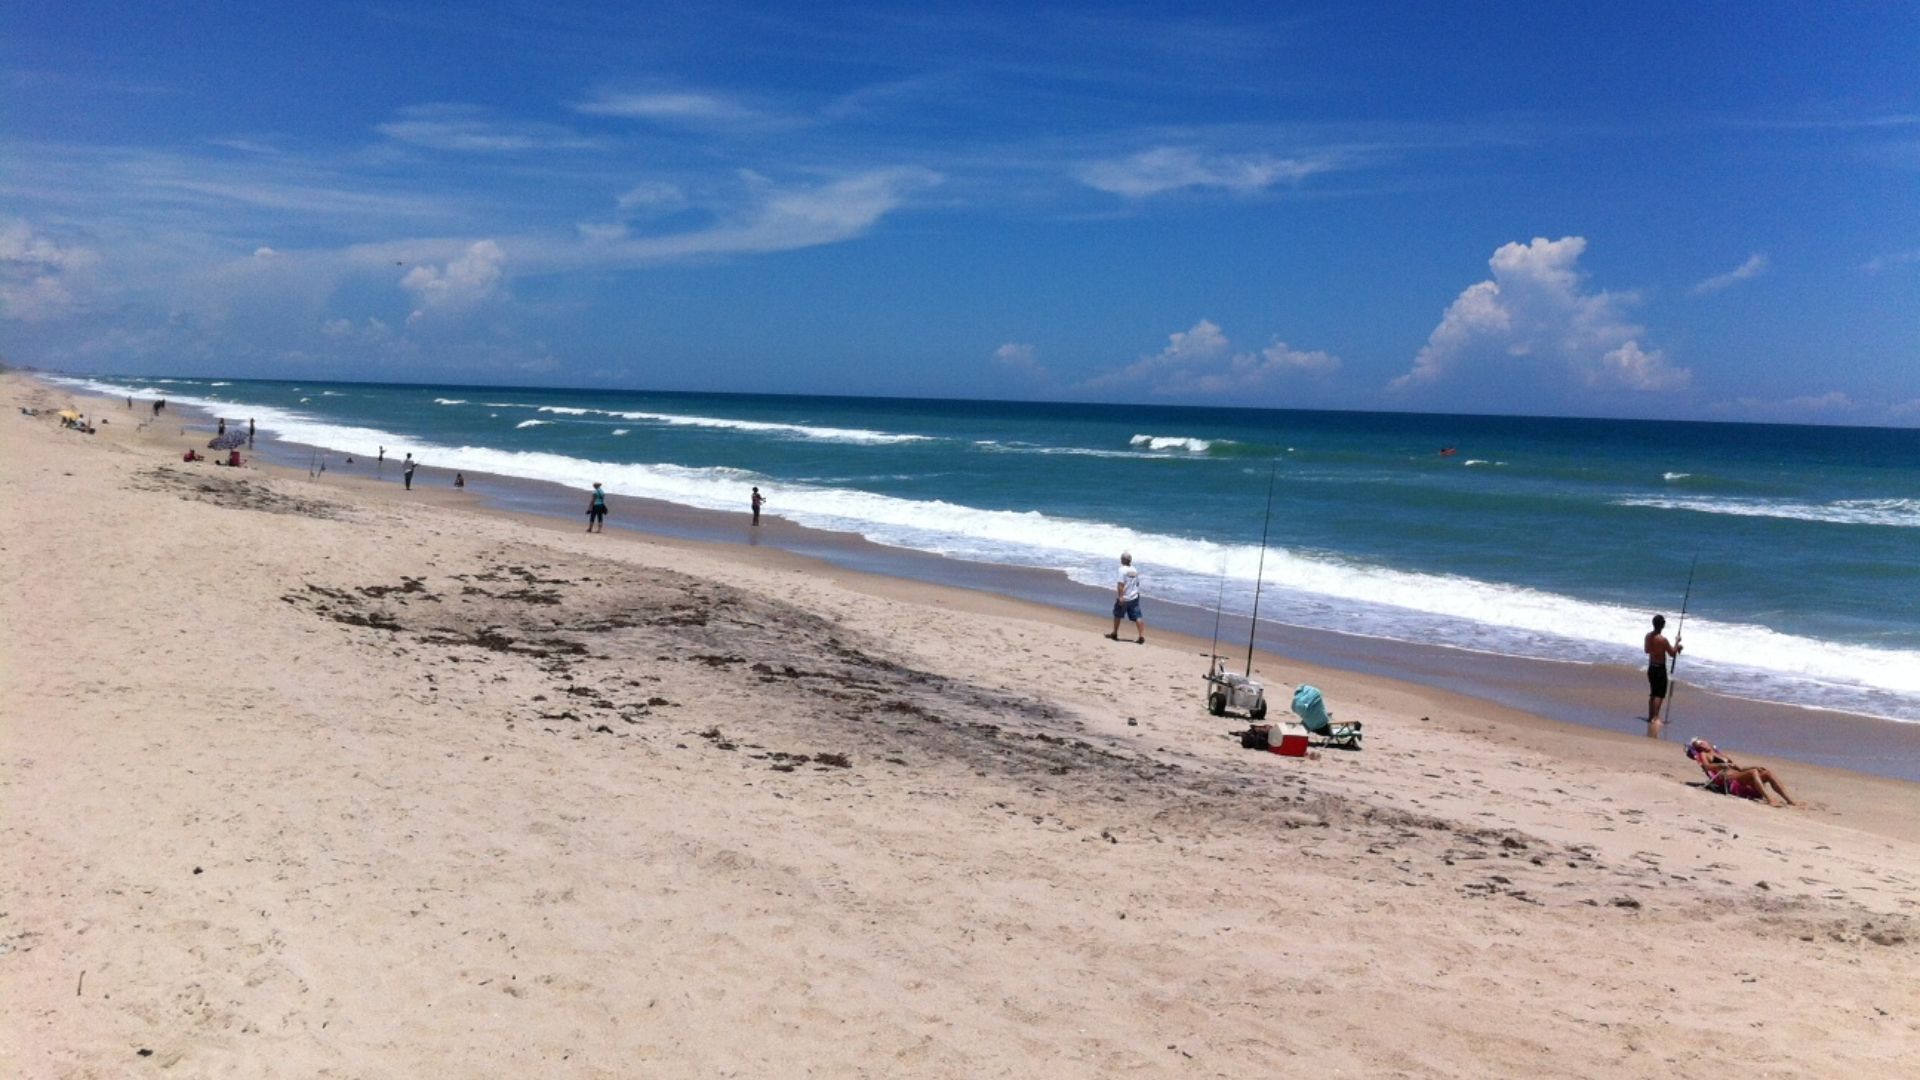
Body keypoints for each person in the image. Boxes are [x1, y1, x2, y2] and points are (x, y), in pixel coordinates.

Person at [1686, 739, 1797, 807]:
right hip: (1727, 779)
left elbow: (1740, 769)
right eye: (1697, 744)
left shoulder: (1720, 754)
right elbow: (1706, 767)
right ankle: (1770, 800)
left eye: (1701, 741)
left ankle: (1790, 801)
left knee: (1767, 773)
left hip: (1738, 776)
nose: (1701, 744)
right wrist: (1721, 765)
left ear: (1707, 742)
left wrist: (1754, 766)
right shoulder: (1704, 755)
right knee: (1753, 772)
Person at [1644, 614, 1684, 737]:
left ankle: (1651, 716)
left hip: (1651, 667)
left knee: (1653, 693)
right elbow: (1672, 653)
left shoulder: (1648, 636)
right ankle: (1655, 717)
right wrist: (1677, 642)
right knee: (1659, 694)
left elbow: (1647, 650)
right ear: (1662, 625)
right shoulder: (1662, 639)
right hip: (1660, 668)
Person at [1105, 552, 1146, 643]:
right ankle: (1141, 636)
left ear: (1123, 560)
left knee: (1117, 615)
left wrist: (1120, 597)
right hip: (1134, 597)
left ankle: (1115, 633)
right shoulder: (1134, 570)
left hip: (1125, 597)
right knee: (1138, 617)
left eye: (1121, 559)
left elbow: (1120, 584)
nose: (1120, 560)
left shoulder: (1121, 570)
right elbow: (1137, 583)